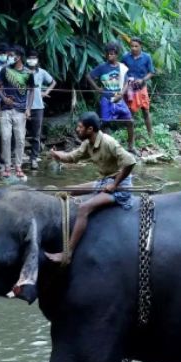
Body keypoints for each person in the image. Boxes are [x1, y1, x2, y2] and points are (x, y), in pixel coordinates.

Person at [45, 112, 136, 264]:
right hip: (103, 181)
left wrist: (114, 185)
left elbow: (130, 161)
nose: (77, 129)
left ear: (90, 129)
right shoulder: (88, 143)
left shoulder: (108, 142)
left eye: (80, 127)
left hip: (121, 186)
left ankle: (68, 253)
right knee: (66, 190)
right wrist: (56, 154)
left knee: (84, 208)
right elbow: (72, 157)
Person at [87, 42, 134, 152]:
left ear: (117, 54)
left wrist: (122, 94)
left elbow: (127, 82)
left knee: (130, 121)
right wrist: (97, 89)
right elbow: (89, 76)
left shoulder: (122, 68)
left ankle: (131, 146)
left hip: (119, 99)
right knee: (105, 123)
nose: (110, 56)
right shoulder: (102, 67)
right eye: (108, 54)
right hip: (106, 99)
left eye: (112, 54)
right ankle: (106, 148)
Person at [0, 45, 34, 180]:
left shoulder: (28, 73)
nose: (9, 57)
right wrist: (4, 98)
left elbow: (32, 90)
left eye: (11, 55)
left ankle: (18, 166)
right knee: (6, 138)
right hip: (5, 110)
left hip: (20, 111)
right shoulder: (4, 70)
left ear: (18, 57)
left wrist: (28, 108)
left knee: (20, 139)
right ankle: (7, 166)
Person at [121, 37, 156, 142]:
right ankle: (131, 139)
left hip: (142, 87)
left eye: (136, 46)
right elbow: (122, 71)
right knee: (130, 113)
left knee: (145, 111)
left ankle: (151, 137)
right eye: (132, 46)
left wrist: (142, 80)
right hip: (130, 88)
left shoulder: (147, 57)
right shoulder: (125, 57)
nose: (134, 48)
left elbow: (152, 72)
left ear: (141, 46)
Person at [26, 50, 55, 170]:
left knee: (36, 134)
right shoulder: (22, 72)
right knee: (19, 132)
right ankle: (15, 158)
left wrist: (46, 92)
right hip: (23, 106)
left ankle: (33, 158)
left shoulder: (42, 72)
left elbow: (53, 82)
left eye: (34, 58)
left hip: (38, 106)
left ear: (37, 60)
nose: (32, 60)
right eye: (30, 57)